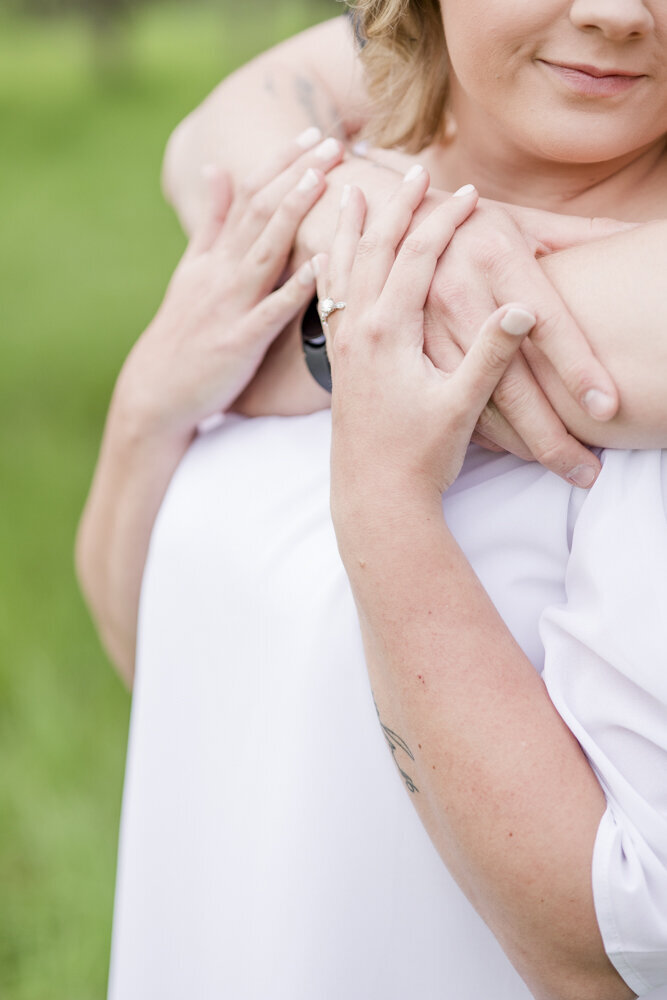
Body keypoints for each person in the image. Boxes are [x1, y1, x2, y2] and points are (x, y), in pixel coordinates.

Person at [76, 2, 667, 998]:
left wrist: (386, 500)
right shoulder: (318, 209)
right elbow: (173, 660)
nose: (614, 13)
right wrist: (147, 408)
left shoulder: (631, 384)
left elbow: (612, 937)